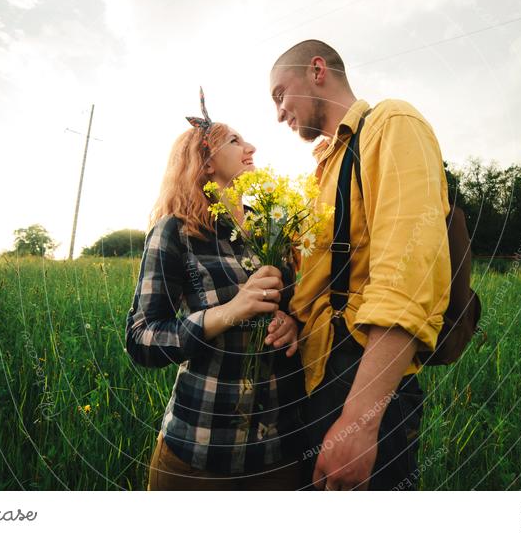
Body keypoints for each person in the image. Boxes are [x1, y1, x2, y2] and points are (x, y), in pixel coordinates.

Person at [268, 40, 451, 491]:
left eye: (279, 94)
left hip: (364, 383)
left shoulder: (392, 124)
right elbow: (324, 277)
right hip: (319, 377)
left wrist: (360, 422)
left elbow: (407, 277)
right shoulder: (324, 167)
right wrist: (290, 315)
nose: (278, 114)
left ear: (316, 71)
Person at [125, 89, 306, 490]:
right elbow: (141, 338)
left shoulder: (273, 225)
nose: (251, 146)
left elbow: (301, 309)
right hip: (199, 450)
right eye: (235, 141)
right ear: (205, 162)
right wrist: (228, 312)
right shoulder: (176, 231)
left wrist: (293, 324)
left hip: (278, 452)